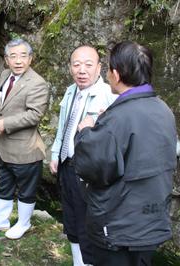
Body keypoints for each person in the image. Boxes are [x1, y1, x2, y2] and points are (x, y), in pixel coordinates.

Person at [74, 41, 177, 266]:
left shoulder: (118, 118)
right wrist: (108, 123)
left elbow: (94, 168)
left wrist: (86, 132)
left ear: (116, 74)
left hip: (119, 226)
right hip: (151, 219)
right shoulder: (163, 109)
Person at [49, 45, 117, 266]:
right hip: (66, 164)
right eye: (76, 65)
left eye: (88, 65)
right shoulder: (71, 91)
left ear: (99, 68)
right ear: (70, 67)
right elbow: (63, 126)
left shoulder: (109, 96)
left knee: (88, 222)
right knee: (71, 219)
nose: (82, 70)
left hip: (89, 171)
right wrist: (55, 154)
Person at [0, 39, 49, 240]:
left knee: (26, 190)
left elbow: (35, 114)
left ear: (30, 58)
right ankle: (1, 222)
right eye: (13, 56)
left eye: (23, 55)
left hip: (26, 149)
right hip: (5, 146)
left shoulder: (37, 83)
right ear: (6, 59)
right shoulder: (5, 75)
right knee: (5, 185)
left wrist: (6, 123)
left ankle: (23, 223)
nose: (18, 61)